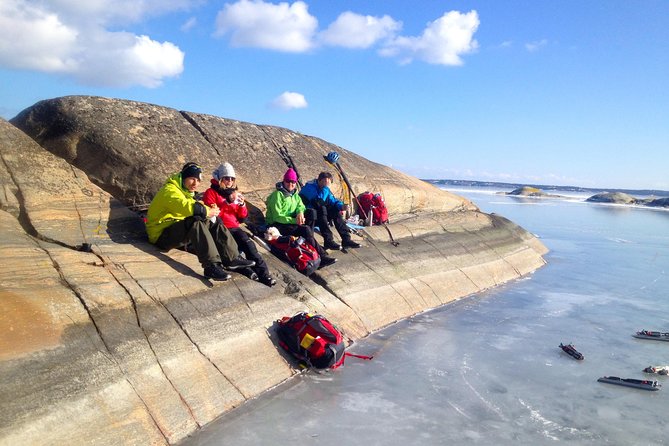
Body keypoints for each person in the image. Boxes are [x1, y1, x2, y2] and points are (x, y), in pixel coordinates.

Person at [145, 162, 255, 281]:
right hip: (161, 236)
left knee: (213, 220)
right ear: (183, 177)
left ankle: (232, 258)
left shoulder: (185, 191)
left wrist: (210, 212)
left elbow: (195, 205)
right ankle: (211, 266)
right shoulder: (170, 190)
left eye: (198, 180)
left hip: (174, 231)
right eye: (192, 179)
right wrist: (208, 210)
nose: (195, 183)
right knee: (195, 220)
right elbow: (186, 206)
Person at [202, 162, 277, 287]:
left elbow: (242, 217)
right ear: (219, 178)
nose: (229, 181)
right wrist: (227, 202)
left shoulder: (234, 193)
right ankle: (247, 271)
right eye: (226, 178)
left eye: (232, 179)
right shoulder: (211, 192)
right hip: (220, 228)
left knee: (249, 244)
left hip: (235, 227)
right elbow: (212, 213)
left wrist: (242, 205)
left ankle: (264, 274)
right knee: (232, 250)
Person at [265, 168, 336, 268]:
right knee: (305, 230)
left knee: (311, 213)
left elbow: (301, 206)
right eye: (288, 181)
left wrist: (300, 213)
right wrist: (295, 220)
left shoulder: (294, 194)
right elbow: (277, 217)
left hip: (288, 222)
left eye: (293, 182)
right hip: (276, 225)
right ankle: (321, 255)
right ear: (284, 181)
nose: (291, 184)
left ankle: (313, 246)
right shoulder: (277, 195)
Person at [299, 171, 361, 250]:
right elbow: (318, 202)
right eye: (325, 182)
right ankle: (328, 241)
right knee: (322, 208)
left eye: (328, 182)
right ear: (319, 180)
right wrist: (325, 188)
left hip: (319, 216)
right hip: (307, 216)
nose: (327, 184)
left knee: (335, 210)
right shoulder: (309, 187)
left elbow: (333, 201)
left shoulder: (325, 189)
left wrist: (341, 206)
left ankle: (346, 239)